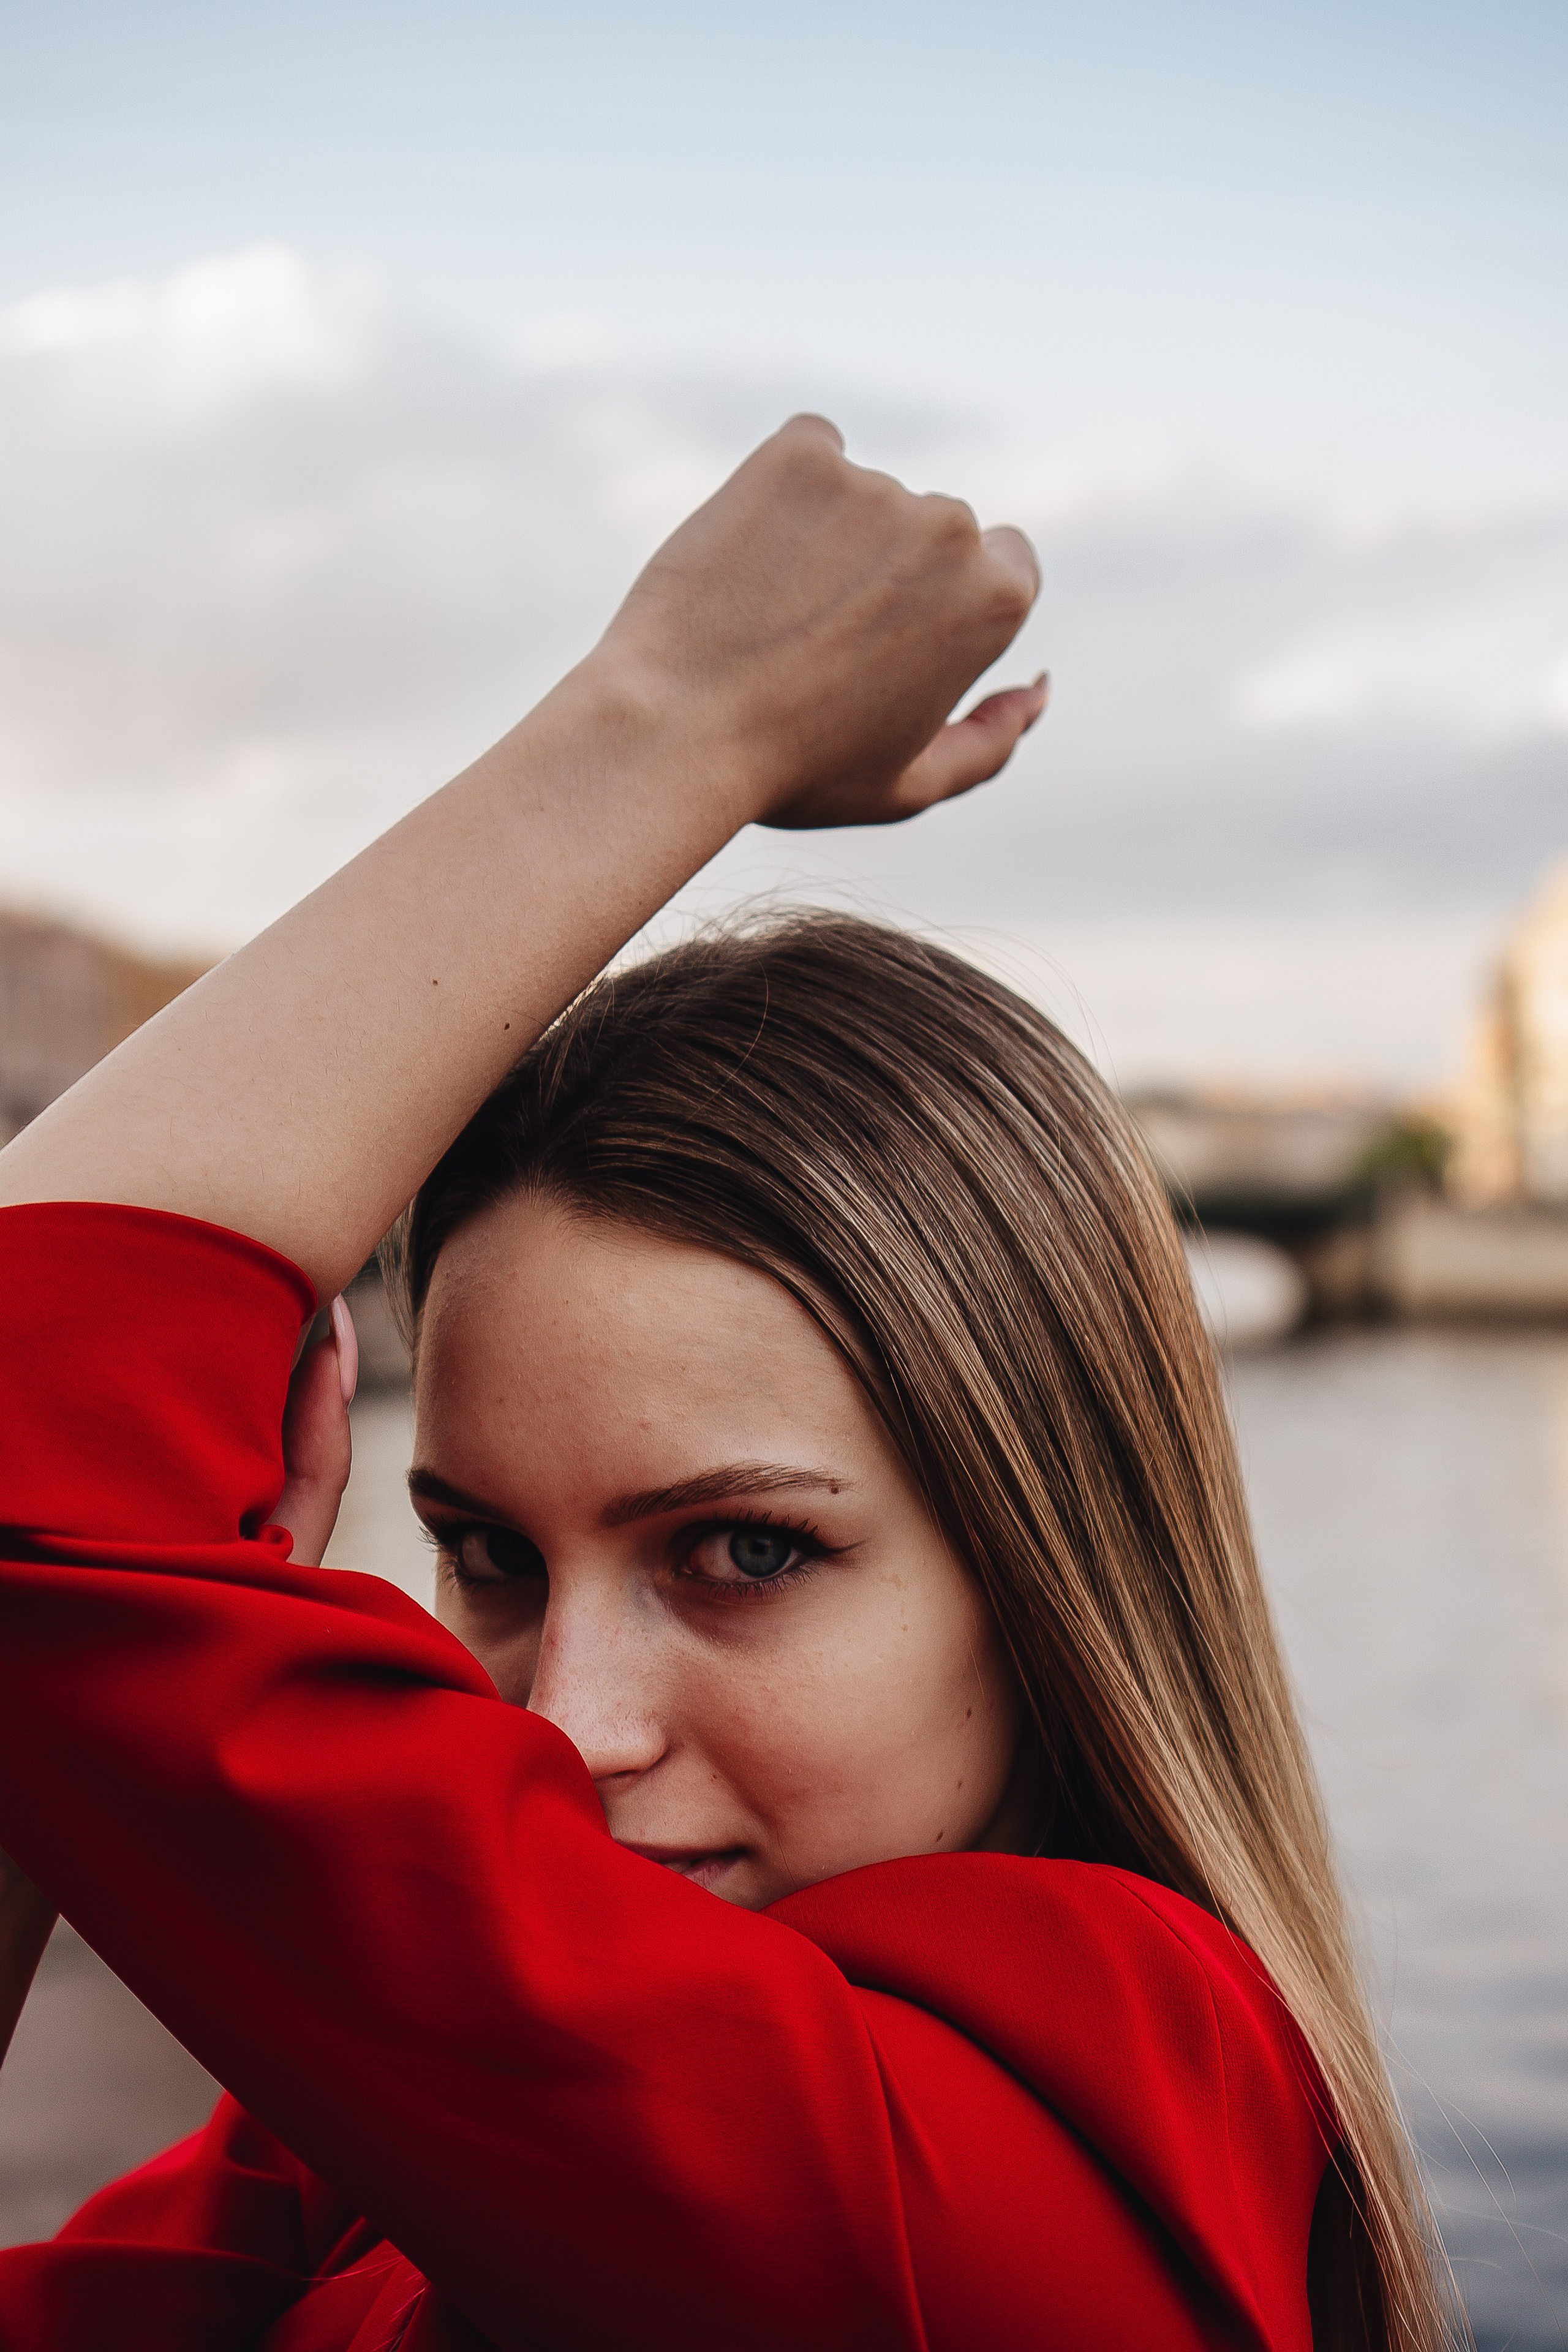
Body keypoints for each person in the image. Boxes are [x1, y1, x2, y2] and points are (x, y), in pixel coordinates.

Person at [0, 418, 1447, 2351]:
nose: (564, 1731)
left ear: (1051, 1580)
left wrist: (676, 716)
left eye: (743, 1551)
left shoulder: (1028, 2177)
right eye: (488, 1555)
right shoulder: (353, 2164)